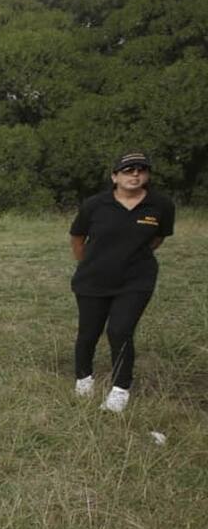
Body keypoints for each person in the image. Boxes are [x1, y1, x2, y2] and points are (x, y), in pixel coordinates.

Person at [69, 151, 175, 413]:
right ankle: (84, 379)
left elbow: (157, 238)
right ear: (114, 176)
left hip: (136, 280)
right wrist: (91, 264)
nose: (135, 174)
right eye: (128, 170)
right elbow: (77, 237)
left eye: (141, 169)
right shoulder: (95, 205)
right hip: (93, 279)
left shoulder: (161, 205)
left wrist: (130, 258)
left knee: (120, 331)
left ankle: (120, 390)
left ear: (147, 175)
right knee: (88, 332)